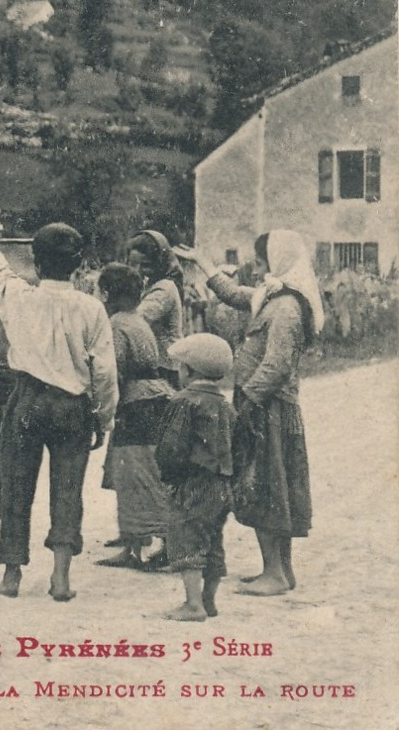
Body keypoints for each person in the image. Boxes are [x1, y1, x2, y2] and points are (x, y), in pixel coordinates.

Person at [0, 207, 117, 602]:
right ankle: (60, 579)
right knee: (67, 490)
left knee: (15, 486)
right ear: (79, 265)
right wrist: (103, 418)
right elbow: (106, 374)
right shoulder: (92, 308)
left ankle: (11, 576)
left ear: (36, 262)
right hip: (72, 407)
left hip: (26, 400)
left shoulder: (18, 296)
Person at [175, 230, 322, 596]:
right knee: (271, 488)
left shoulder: (286, 307)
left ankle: (275, 572)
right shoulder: (272, 297)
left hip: (267, 409)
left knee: (268, 488)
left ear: (276, 260)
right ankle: (280, 571)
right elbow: (230, 293)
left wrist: (244, 405)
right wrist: (201, 262)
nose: (256, 270)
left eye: (260, 262)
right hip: (264, 406)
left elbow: (276, 365)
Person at [94, 263, 174, 572]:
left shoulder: (115, 324)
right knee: (137, 473)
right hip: (152, 398)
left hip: (135, 403)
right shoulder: (138, 320)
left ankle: (151, 544)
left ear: (107, 293)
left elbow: (115, 370)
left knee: (137, 475)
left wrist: (102, 408)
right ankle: (135, 544)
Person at [155, 332, 238, 622]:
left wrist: (167, 473)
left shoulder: (184, 402)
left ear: (189, 370)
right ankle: (208, 601)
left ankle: (192, 604)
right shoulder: (227, 406)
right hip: (222, 485)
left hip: (193, 483)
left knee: (187, 536)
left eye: (180, 367)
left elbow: (171, 446)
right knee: (213, 540)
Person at [125, 230, 186, 386]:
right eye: (132, 264)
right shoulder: (149, 284)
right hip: (152, 365)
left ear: (159, 263)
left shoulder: (165, 288)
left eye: (145, 265)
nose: (136, 271)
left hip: (163, 369)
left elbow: (137, 319)